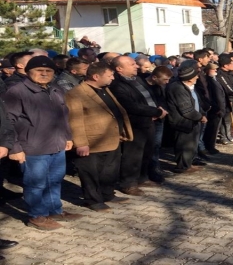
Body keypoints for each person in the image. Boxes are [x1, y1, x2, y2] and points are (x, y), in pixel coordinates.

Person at [2, 56, 83, 230]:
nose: (44, 74)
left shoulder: (56, 88)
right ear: (28, 71)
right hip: (32, 147)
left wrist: (68, 137)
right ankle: (37, 215)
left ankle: (54, 210)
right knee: (36, 183)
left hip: (57, 144)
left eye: (48, 71)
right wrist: (14, 147)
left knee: (54, 180)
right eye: (39, 70)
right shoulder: (17, 91)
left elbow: (63, 115)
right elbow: (9, 121)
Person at [65, 63, 133, 212]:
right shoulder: (76, 94)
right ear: (96, 76)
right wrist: (81, 143)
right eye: (110, 75)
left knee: (110, 171)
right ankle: (93, 200)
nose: (113, 78)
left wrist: (121, 132)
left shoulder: (104, 89)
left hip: (111, 138)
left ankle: (107, 194)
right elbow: (75, 120)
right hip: (92, 142)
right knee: (90, 173)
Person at [109, 56, 167, 196]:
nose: (136, 66)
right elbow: (131, 106)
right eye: (132, 64)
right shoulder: (117, 85)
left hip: (149, 121)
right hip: (134, 124)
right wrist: (156, 111)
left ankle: (142, 177)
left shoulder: (138, 79)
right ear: (119, 69)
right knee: (133, 155)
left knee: (147, 152)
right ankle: (128, 184)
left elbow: (152, 96)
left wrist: (158, 109)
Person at [165, 66, 208, 174]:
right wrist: (200, 117)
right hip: (183, 121)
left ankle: (188, 164)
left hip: (193, 120)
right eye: (195, 76)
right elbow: (186, 109)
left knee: (192, 144)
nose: (197, 77)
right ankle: (182, 166)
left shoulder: (190, 86)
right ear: (189, 78)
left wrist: (201, 113)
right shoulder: (177, 88)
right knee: (184, 145)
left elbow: (197, 102)